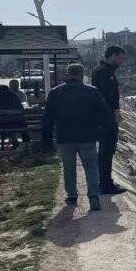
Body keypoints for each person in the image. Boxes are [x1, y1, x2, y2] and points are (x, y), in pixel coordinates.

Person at [41, 63, 114, 212]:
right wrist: (103, 132)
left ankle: (72, 196)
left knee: (69, 167)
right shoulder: (92, 91)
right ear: (82, 75)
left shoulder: (55, 92)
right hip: (88, 136)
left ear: (68, 74)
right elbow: (105, 114)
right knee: (91, 167)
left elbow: (48, 118)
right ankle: (93, 195)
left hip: (65, 137)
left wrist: (46, 139)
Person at [92, 45, 126, 195]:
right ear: (112, 56)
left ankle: (106, 181)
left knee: (108, 151)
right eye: (120, 58)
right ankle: (105, 184)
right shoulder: (103, 72)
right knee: (106, 151)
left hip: (107, 117)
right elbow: (104, 98)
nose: (122, 62)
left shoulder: (105, 71)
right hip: (106, 119)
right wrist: (112, 114)